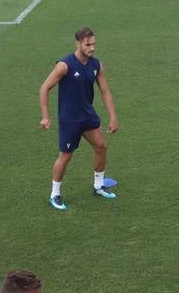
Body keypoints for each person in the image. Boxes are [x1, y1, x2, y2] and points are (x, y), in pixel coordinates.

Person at [39, 26, 119, 210]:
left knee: (101, 146)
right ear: (78, 44)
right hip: (69, 120)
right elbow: (44, 88)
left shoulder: (96, 65)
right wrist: (45, 116)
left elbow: (105, 91)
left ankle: (98, 186)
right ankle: (55, 194)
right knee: (65, 156)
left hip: (88, 116)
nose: (92, 48)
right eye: (88, 44)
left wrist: (113, 117)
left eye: (94, 44)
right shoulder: (64, 65)